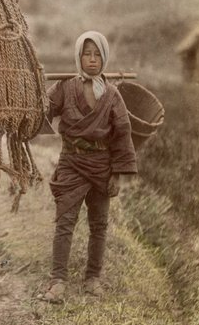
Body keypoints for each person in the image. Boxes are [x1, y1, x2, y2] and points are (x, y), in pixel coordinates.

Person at [39, 30, 137, 303]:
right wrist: (34, 90)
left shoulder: (113, 94)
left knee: (99, 225)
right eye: (87, 54)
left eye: (97, 54)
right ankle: (58, 281)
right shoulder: (64, 87)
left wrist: (117, 173)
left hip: (102, 166)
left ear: (104, 58)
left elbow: (123, 133)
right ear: (78, 57)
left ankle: (93, 278)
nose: (92, 60)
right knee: (65, 223)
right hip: (71, 163)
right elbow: (43, 110)